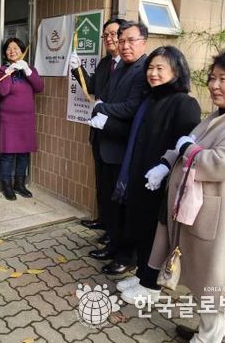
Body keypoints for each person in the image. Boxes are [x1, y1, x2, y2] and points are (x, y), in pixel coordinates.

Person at [148, 46, 225, 343]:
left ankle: (208, 339)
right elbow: (193, 139)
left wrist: (186, 149)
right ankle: (205, 333)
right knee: (207, 278)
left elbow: (215, 163)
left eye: (223, 79)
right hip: (211, 216)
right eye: (212, 77)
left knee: (220, 283)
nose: (214, 85)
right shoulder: (224, 114)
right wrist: (168, 162)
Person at [101, 46, 201, 305]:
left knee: (155, 235)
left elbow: (185, 144)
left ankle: (152, 286)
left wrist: (165, 167)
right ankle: (143, 275)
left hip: (162, 182)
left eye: (160, 68)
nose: (153, 73)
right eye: (151, 68)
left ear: (177, 71)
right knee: (141, 229)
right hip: (140, 177)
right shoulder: (150, 99)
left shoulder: (184, 103)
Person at [86, 21, 148, 276]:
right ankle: (113, 244)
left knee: (124, 207)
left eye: (130, 40)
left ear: (143, 42)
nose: (124, 45)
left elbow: (132, 107)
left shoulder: (144, 69)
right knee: (111, 204)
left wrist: (102, 108)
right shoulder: (119, 66)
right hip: (106, 144)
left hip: (123, 148)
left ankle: (127, 256)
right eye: (121, 41)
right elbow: (107, 96)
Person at [70, 17, 126, 244]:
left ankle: (113, 231)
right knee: (102, 182)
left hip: (117, 135)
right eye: (106, 35)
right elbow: (92, 86)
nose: (109, 39)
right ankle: (103, 220)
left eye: (114, 34)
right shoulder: (105, 63)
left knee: (113, 185)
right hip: (99, 133)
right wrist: (77, 69)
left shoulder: (130, 66)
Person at [0, 37, 44, 200]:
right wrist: (8, 73)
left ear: (22, 51)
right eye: (9, 49)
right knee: (8, 154)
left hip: (26, 119)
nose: (12, 51)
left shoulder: (30, 69)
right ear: (5, 53)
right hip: (8, 119)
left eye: (16, 48)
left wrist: (27, 71)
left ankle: (20, 184)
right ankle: (7, 186)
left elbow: (39, 87)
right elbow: (3, 91)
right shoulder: (2, 70)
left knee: (24, 153)